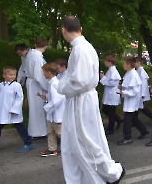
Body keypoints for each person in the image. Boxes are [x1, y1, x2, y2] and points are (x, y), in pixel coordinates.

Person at [57, 15, 124, 184]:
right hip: (80, 98)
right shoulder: (80, 47)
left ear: (63, 30)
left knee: (85, 141)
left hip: (81, 99)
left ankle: (110, 173)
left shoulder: (81, 49)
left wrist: (61, 86)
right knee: (79, 141)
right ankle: (87, 177)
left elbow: (80, 81)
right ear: (81, 29)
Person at [0, 66, 34, 153]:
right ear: (4, 75)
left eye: (14, 74)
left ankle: (28, 143)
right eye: (10, 75)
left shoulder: (16, 85)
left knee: (19, 127)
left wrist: (14, 109)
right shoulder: (0, 85)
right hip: (3, 110)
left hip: (13, 111)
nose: (13, 76)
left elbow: (19, 98)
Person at [117, 56, 149, 145]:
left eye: (123, 64)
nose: (122, 65)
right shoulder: (128, 73)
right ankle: (144, 130)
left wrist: (123, 92)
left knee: (127, 119)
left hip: (132, 100)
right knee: (133, 117)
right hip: (130, 100)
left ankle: (127, 138)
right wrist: (122, 87)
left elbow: (135, 90)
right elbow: (129, 85)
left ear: (128, 65)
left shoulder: (134, 75)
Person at [39, 63, 65, 157]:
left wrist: (47, 107)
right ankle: (52, 148)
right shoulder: (52, 83)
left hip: (56, 113)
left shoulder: (55, 83)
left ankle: (71, 148)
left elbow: (58, 99)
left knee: (60, 132)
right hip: (52, 114)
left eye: (44, 72)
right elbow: (53, 97)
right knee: (50, 131)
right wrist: (46, 97)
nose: (43, 74)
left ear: (49, 73)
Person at [24, 38, 49, 138]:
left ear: (35, 44)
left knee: (34, 107)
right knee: (38, 107)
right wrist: (46, 86)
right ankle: (39, 131)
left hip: (31, 81)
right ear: (45, 47)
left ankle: (36, 130)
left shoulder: (30, 55)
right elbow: (39, 75)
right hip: (36, 84)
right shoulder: (37, 58)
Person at [99, 55, 123, 135]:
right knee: (106, 109)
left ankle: (111, 128)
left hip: (113, 94)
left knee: (111, 110)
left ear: (109, 62)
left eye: (105, 61)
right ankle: (118, 119)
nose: (104, 63)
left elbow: (112, 83)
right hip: (109, 93)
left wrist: (102, 78)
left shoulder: (113, 71)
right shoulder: (110, 70)